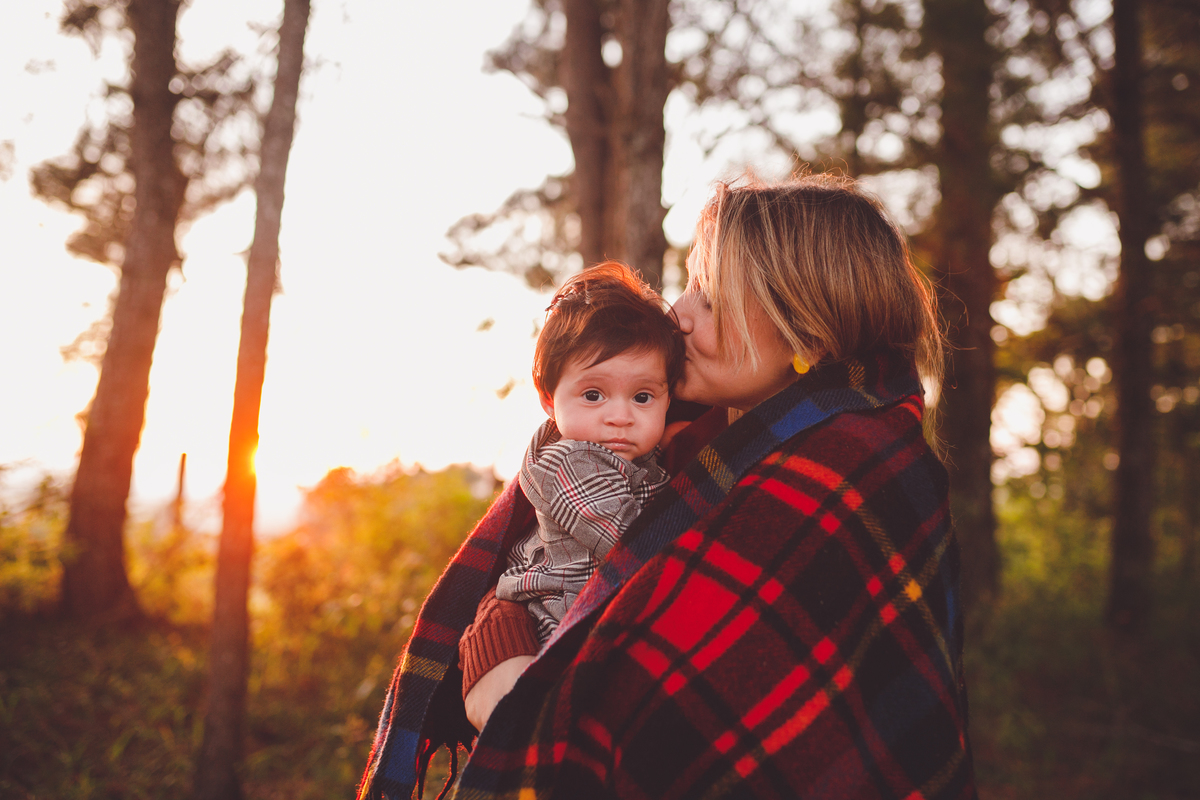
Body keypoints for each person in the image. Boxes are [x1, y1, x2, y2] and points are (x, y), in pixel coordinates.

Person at [359, 173, 976, 800]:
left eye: (708, 296)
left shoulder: (850, 476)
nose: (677, 315)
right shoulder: (693, 444)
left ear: (806, 334)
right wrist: (506, 617)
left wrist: (504, 651)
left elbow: (660, 711)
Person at [458, 261, 683, 707]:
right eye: (593, 394)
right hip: (557, 623)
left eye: (643, 397)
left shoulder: (632, 454)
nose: (620, 416)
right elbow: (637, 541)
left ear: (667, 398)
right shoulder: (570, 461)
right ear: (548, 398)